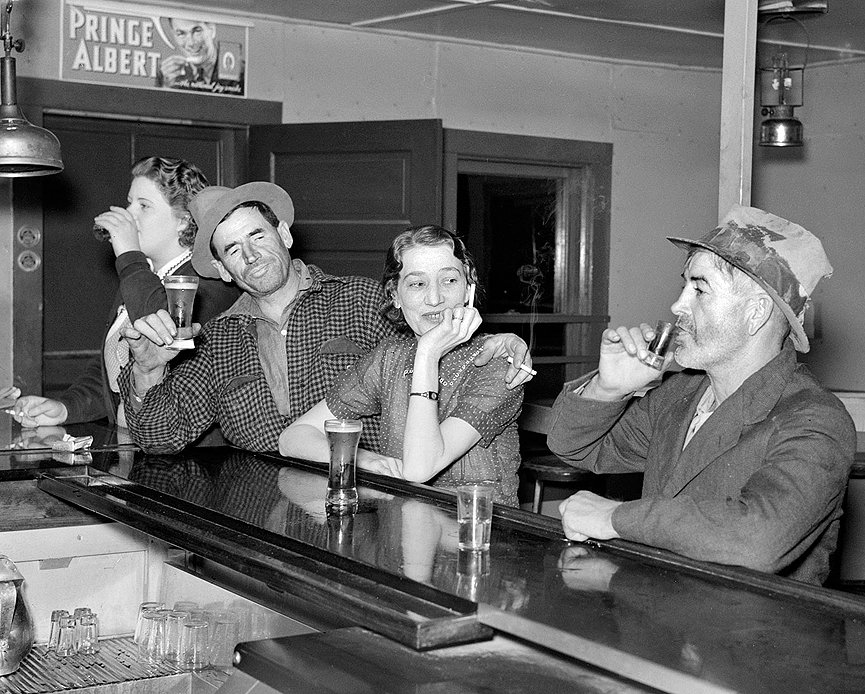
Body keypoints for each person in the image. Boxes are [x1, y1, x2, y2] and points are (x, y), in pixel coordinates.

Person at [547, 204, 855, 585]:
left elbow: (758, 540)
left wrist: (612, 518)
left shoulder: (815, 418)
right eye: (683, 285)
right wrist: (608, 389)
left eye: (700, 289)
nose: (678, 305)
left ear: (756, 313)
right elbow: (573, 446)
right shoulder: (681, 396)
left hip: (750, 639)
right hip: (658, 619)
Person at [118, 184, 533, 455]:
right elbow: (160, 437)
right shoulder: (217, 338)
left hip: (370, 496)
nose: (250, 255)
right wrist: (148, 371)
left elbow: (434, 342)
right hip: (264, 512)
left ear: (283, 234)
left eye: (258, 236)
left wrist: (494, 343)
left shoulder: (361, 298)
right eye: (232, 249)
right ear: (224, 270)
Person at [279, 226, 524, 506]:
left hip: (477, 535)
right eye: (417, 284)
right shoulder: (389, 357)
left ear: (468, 290)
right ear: (395, 294)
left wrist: (428, 353)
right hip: (404, 526)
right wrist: (361, 458)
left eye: (449, 281)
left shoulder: (498, 362)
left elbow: (420, 468)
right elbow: (292, 439)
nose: (435, 298)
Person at [3, 157, 239, 429]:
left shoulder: (208, 281)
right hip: (133, 441)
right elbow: (115, 363)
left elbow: (165, 334)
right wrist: (66, 407)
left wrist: (128, 254)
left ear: (183, 222)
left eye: (144, 206)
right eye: (130, 202)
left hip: (191, 456)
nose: (129, 214)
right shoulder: (143, 275)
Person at [157, 18, 218, 88]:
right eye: (181, 34)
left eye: (197, 31)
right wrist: (167, 87)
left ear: (212, 30)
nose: (191, 43)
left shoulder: (230, 70)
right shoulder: (167, 74)